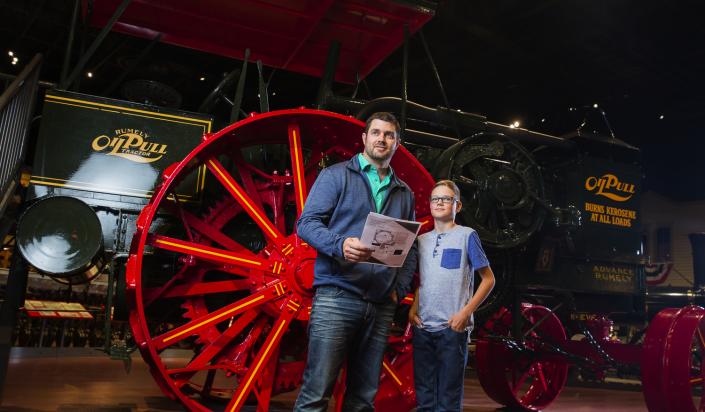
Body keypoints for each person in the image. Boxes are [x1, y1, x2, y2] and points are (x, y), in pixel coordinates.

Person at [293, 112, 418, 411]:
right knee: (316, 393)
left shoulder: (405, 193)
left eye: (389, 135)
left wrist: (398, 291)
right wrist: (340, 245)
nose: (382, 139)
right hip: (337, 297)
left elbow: (410, 249)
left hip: (380, 305)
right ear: (364, 138)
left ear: (397, 143)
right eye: (376, 133)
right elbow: (306, 223)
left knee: (363, 399)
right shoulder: (336, 175)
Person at [408, 179, 495, 412]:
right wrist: (413, 308)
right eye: (435, 198)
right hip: (423, 328)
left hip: (451, 328)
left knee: (448, 400)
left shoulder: (467, 235)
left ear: (457, 206)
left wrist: (465, 314)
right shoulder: (421, 240)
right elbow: (423, 281)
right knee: (424, 399)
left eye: (446, 199)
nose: (439, 203)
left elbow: (489, 279)